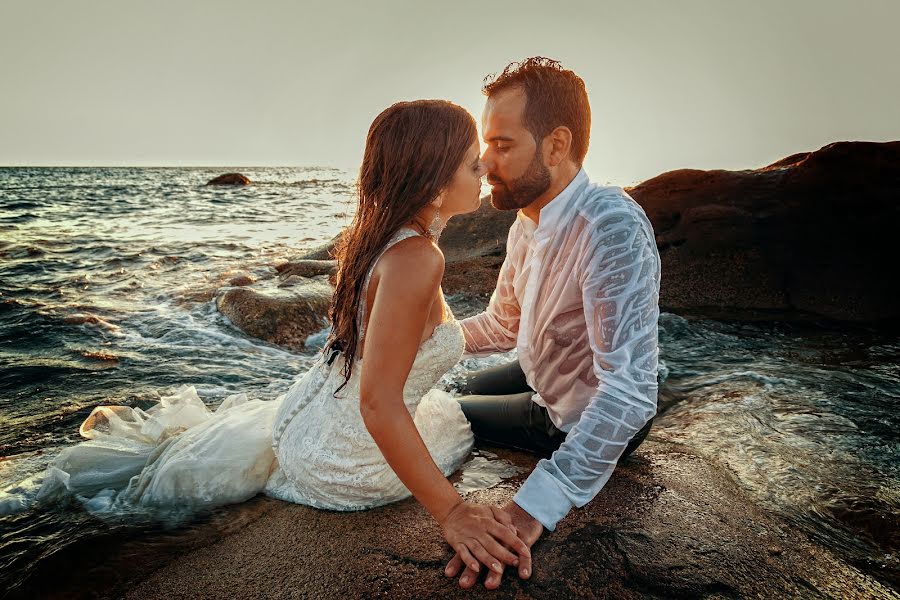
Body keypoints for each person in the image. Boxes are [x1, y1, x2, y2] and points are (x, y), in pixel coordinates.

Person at [19, 99, 531, 579]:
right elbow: (377, 404)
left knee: (465, 402)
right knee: (458, 421)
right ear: (432, 180)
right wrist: (453, 511)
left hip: (303, 422)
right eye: (470, 163)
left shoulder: (377, 240)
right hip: (348, 460)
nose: (483, 170)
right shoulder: (419, 258)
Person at [443, 57, 662, 590]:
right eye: (485, 144)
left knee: (447, 413)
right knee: (448, 379)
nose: (484, 162)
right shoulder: (527, 220)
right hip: (540, 368)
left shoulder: (609, 227)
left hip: (574, 412)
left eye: (502, 144)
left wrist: (533, 505)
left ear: (556, 145)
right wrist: (420, 344)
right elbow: (502, 324)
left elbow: (630, 393)